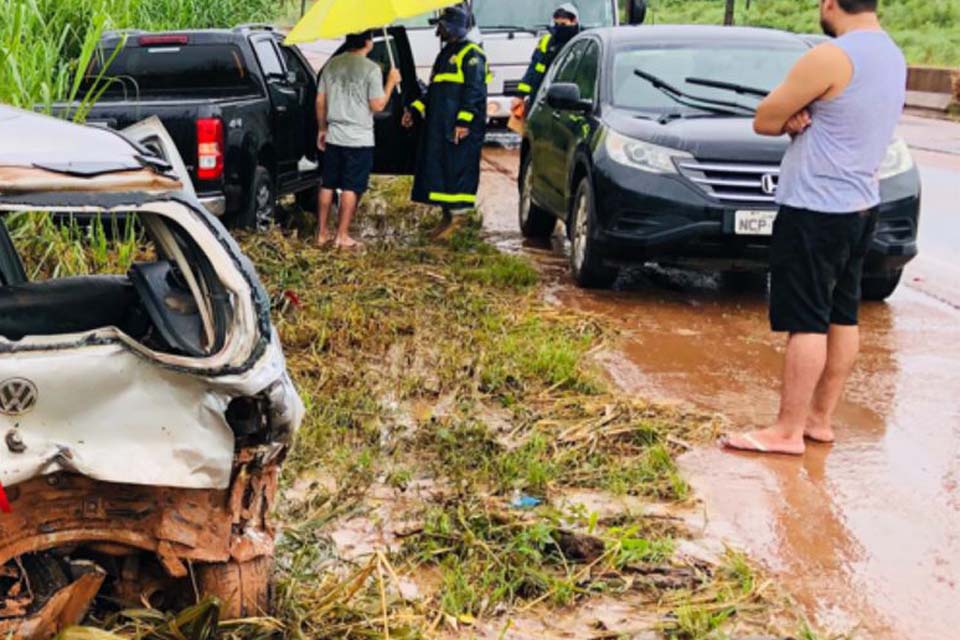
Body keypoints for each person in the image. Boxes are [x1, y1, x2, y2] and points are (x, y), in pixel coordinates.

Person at [722, 0, 906, 455]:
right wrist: (801, 116)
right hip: (861, 205)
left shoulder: (832, 55)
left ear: (830, 3)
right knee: (842, 314)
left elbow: (764, 119)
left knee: (806, 320)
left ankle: (785, 431)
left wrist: (789, 119)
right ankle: (819, 421)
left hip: (815, 207)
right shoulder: (891, 55)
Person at [401, 6, 490, 239]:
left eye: (441, 26)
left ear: (453, 28)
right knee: (441, 170)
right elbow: (434, 91)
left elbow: (475, 92)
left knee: (457, 169)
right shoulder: (446, 54)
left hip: (458, 128)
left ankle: (459, 220)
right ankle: (447, 217)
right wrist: (415, 108)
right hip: (440, 125)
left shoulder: (472, 55)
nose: (438, 31)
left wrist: (464, 121)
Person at [316, 31, 402, 248]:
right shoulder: (371, 68)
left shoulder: (332, 64)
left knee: (327, 184)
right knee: (351, 187)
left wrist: (321, 128)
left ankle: (322, 233)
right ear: (367, 42)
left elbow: (320, 100)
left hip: (334, 134)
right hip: (359, 138)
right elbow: (378, 105)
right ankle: (342, 236)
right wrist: (391, 82)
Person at [513, 3, 581, 114]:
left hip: (567, 103)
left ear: (574, 22)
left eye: (563, 24)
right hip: (539, 99)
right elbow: (532, 70)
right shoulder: (546, 41)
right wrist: (520, 96)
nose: (559, 27)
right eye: (556, 24)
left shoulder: (580, 43)